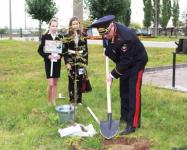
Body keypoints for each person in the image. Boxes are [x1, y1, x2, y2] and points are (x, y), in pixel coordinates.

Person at [91, 15, 148, 135]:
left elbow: (126, 61)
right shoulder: (107, 33)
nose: (105, 37)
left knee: (133, 92)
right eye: (103, 35)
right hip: (125, 61)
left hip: (137, 62)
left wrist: (112, 75)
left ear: (112, 26)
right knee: (123, 91)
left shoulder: (126, 37)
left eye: (106, 34)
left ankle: (132, 124)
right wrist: (106, 51)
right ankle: (125, 116)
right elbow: (113, 50)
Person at [38, 17, 63, 106]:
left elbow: (63, 50)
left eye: (56, 26)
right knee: (51, 83)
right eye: (53, 26)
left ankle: (54, 101)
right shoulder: (45, 37)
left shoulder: (60, 37)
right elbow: (40, 50)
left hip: (57, 63)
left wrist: (60, 56)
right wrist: (47, 56)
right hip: (49, 63)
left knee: (55, 83)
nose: (55, 28)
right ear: (49, 26)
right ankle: (49, 101)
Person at [63, 16, 88, 105]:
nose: (75, 25)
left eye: (76, 24)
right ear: (70, 25)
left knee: (80, 79)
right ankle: (72, 99)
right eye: (73, 24)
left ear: (79, 24)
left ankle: (79, 100)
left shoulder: (83, 35)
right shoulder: (66, 36)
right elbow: (64, 51)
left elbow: (86, 50)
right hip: (71, 60)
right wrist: (67, 63)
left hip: (81, 60)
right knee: (71, 79)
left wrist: (85, 63)